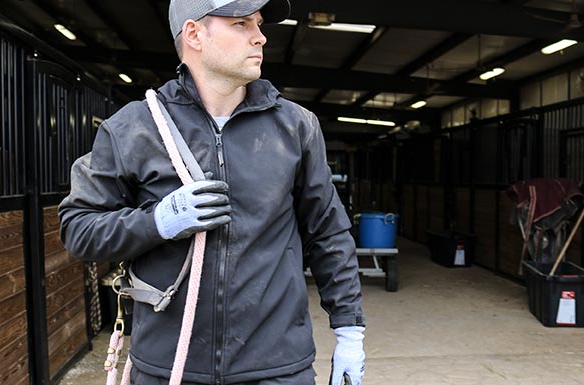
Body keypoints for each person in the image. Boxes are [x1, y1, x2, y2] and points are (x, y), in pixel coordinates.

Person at [58, 0, 366, 384]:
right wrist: (157, 221)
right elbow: (79, 229)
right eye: (240, 24)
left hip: (276, 368)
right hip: (169, 367)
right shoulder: (134, 128)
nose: (260, 36)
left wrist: (350, 330)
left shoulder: (296, 127)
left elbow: (328, 232)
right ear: (194, 35)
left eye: (257, 22)